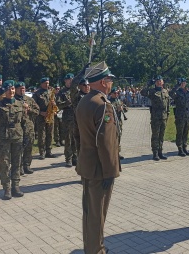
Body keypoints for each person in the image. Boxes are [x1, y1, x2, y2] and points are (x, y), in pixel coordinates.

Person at [75, 61, 120, 254]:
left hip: (87, 164)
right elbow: (105, 142)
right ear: (103, 82)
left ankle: (91, 247)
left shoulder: (84, 100)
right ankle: (96, 250)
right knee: (97, 214)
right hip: (100, 169)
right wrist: (111, 170)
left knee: (90, 212)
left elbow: (79, 136)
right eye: (109, 80)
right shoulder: (102, 105)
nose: (111, 84)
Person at [140, 75, 170, 161]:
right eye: (157, 81)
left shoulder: (165, 91)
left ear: (162, 82)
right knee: (155, 135)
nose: (159, 82)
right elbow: (142, 92)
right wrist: (147, 85)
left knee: (161, 135)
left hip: (163, 117)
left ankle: (160, 152)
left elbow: (167, 105)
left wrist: (167, 115)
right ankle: (155, 153)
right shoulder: (152, 91)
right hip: (156, 117)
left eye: (160, 81)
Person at [14, 82, 39, 174]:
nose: (22, 90)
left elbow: (37, 111)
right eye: (20, 88)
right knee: (18, 148)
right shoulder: (13, 100)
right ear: (16, 89)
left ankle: (27, 165)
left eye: (23, 88)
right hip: (18, 128)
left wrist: (30, 109)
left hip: (29, 127)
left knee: (29, 146)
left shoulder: (29, 99)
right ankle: (18, 166)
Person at [33, 77, 57, 159]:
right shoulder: (37, 94)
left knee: (50, 134)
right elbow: (33, 106)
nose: (47, 85)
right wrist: (40, 112)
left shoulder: (51, 92)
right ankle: (42, 152)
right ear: (41, 84)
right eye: (45, 83)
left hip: (50, 115)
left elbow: (55, 103)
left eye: (48, 83)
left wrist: (54, 104)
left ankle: (49, 151)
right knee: (41, 135)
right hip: (41, 116)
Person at [170, 78, 189, 156]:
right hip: (180, 116)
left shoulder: (188, 93)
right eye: (181, 83)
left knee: (185, 132)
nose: (183, 84)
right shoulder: (177, 92)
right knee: (180, 132)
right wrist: (176, 86)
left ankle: (184, 147)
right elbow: (171, 94)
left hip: (187, 115)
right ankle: (180, 148)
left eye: (184, 83)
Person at [108, 87, 127, 160]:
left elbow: (126, 109)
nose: (116, 94)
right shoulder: (109, 102)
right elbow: (108, 113)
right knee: (112, 138)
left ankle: (117, 153)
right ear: (111, 94)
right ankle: (111, 153)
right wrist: (116, 109)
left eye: (117, 93)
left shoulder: (119, 101)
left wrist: (123, 108)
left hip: (119, 122)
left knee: (118, 137)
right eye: (115, 93)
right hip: (112, 122)